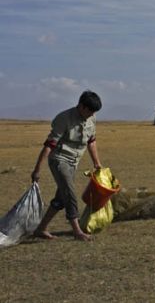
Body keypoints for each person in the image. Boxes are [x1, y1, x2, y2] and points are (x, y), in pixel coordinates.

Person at [31, 90, 104, 241]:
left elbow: (91, 141)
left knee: (62, 197)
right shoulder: (64, 118)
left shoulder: (91, 119)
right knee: (70, 194)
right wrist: (37, 170)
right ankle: (77, 231)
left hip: (74, 162)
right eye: (90, 111)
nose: (92, 115)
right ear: (82, 106)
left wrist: (97, 163)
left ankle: (41, 228)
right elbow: (49, 145)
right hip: (59, 160)